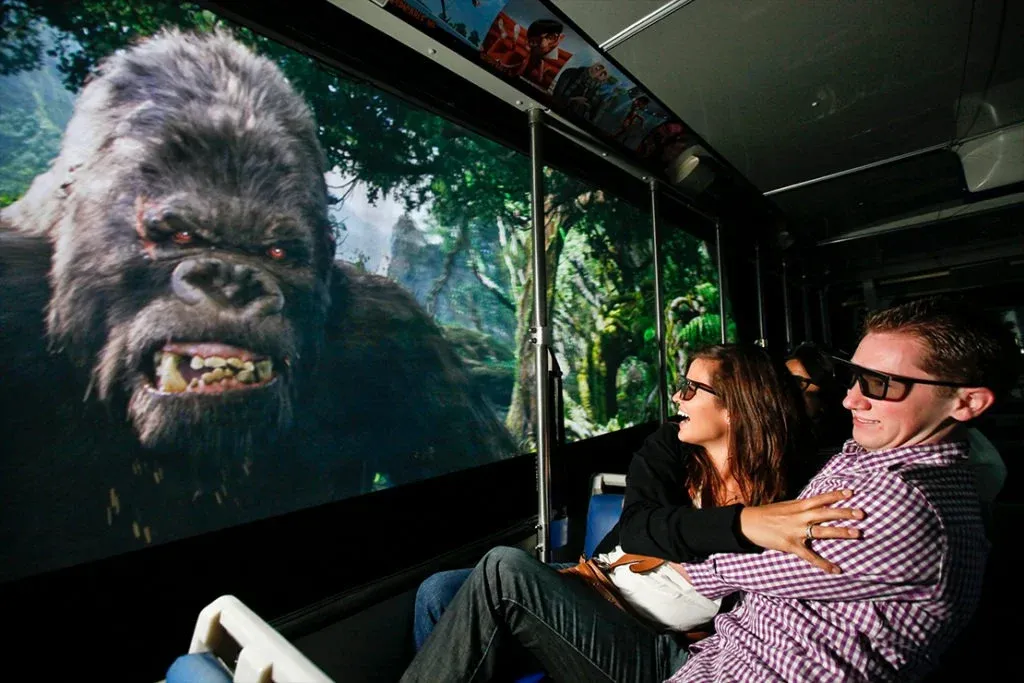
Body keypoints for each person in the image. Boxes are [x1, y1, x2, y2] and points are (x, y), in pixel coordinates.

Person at [402, 344, 867, 682]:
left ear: (736, 407)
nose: (677, 398)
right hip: (606, 579)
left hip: (654, 625)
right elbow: (641, 528)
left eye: (691, 388)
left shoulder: (800, 481)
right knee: (438, 590)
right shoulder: (671, 445)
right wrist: (743, 523)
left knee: (503, 566)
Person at [663, 296, 1020, 681]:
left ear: (966, 403)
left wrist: (674, 543)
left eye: (879, 384)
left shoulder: (904, 504)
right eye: (854, 376)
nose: (851, 399)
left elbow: (715, 569)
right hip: (717, 655)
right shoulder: (868, 457)